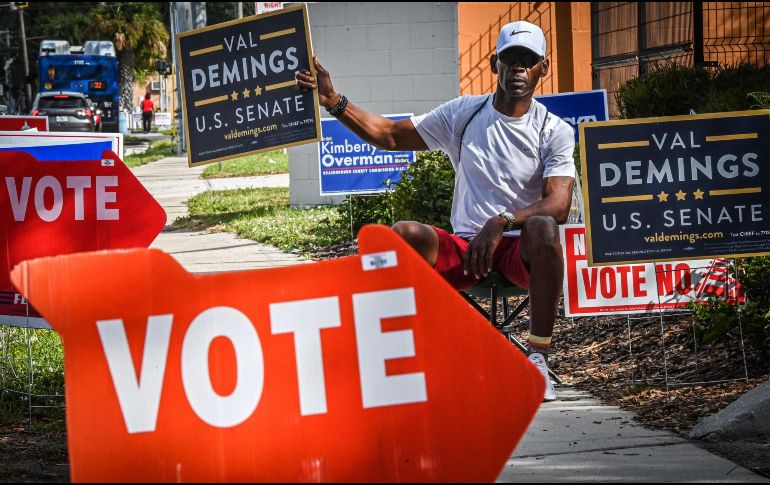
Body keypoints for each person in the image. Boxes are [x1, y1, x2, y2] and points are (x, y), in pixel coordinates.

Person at [296, 20, 575, 402]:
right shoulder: (466, 113)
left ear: (543, 67)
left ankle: (537, 357)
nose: (518, 69)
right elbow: (390, 135)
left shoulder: (553, 129)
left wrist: (502, 222)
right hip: (468, 251)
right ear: (494, 63)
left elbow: (559, 204)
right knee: (403, 235)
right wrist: (334, 102)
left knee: (544, 227)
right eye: (510, 59)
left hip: (519, 253)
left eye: (528, 61)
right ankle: (396, 357)